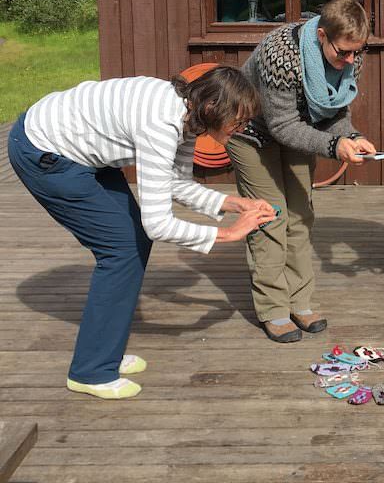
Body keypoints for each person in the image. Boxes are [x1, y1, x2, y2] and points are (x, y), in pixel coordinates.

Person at [7, 67, 277, 400]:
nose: (242, 128)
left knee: (131, 244)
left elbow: (176, 183)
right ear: (212, 109)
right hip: (44, 152)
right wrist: (230, 235)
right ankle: (91, 371)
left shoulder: (189, 113)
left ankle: (106, 351)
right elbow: (158, 223)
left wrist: (233, 203)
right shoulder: (161, 126)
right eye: (238, 121)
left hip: (79, 150)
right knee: (120, 250)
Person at [227, 0, 378, 343]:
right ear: (322, 36)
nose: (351, 60)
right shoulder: (280, 54)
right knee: (270, 215)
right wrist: (333, 146)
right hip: (250, 131)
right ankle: (274, 308)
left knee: (300, 214)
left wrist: (351, 137)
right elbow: (281, 126)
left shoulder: (351, 54)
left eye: (358, 52)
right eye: (344, 53)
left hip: (299, 130)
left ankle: (301, 300)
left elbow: (336, 108)